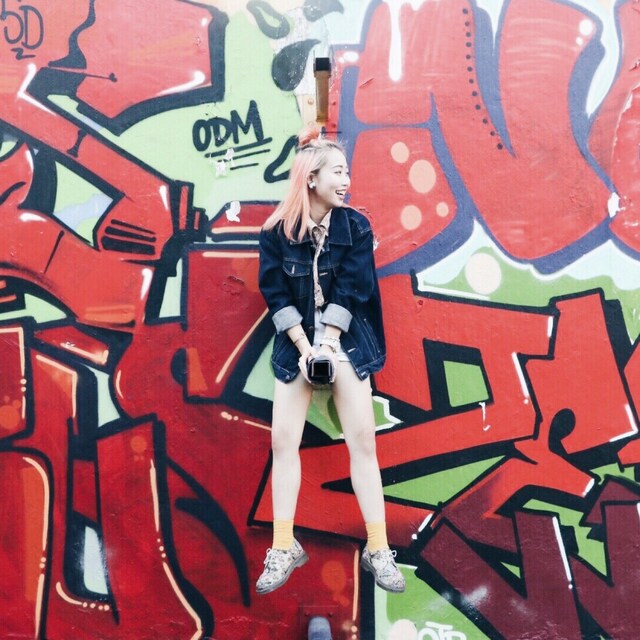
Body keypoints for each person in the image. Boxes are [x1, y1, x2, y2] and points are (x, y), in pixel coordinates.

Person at [256, 126, 405, 595]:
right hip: (296, 344)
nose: (346, 181)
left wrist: (328, 345)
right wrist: (306, 349)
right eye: (338, 173)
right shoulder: (276, 232)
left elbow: (354, 288)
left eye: (346, 172)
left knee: (363, 442)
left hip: (347, 341)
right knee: (283, 442)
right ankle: (284, 545)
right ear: (311, 178)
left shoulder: (355, 227)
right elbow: (275, 293)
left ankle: (379, 549)